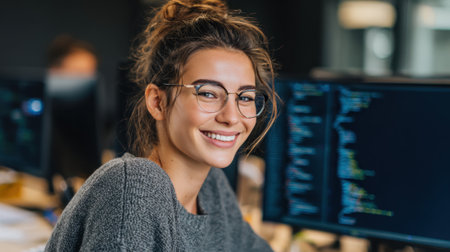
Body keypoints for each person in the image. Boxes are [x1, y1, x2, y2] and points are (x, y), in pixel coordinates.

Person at [45, 0, 278, 251]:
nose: (232, 117)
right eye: (208, 93)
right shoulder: (134, 189)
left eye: (245, 97)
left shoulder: (212, 188)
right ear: (157, 102)